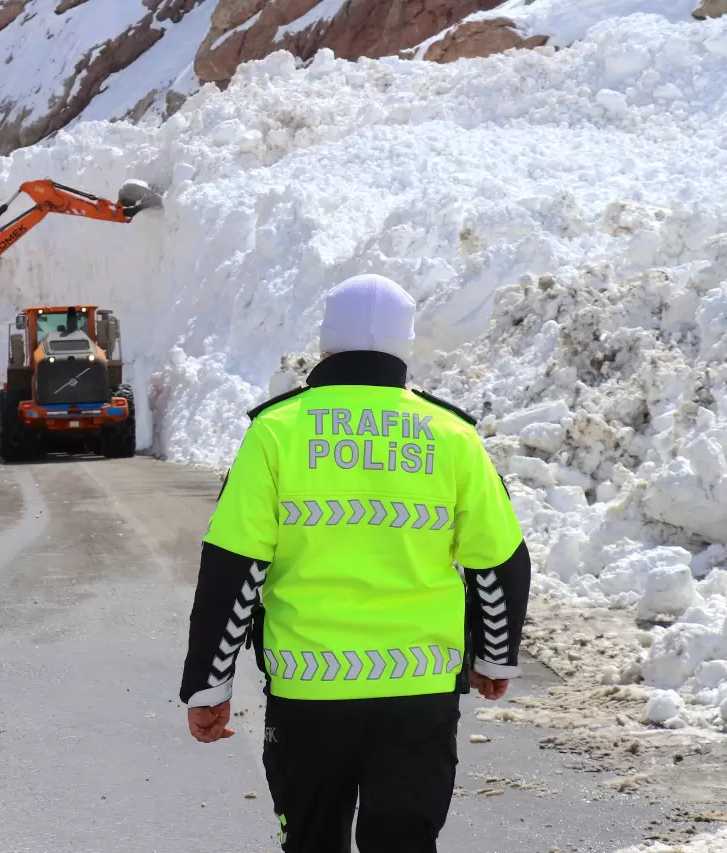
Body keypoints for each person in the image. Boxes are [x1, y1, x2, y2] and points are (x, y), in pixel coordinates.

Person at [179, 273, 531, 853]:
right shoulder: (451, 435)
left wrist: (209, 683)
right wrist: (496, 656)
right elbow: (499, 563)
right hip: (419, 693)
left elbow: (233, 568)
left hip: (308, 696)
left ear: (325, 344)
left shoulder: (277, 431)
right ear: (404, 344)